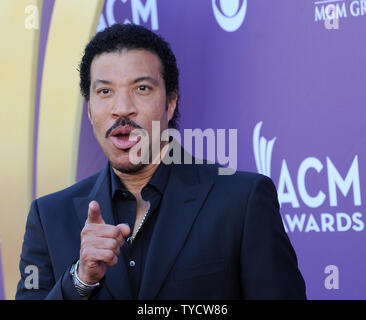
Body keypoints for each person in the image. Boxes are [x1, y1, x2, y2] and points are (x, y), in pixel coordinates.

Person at [16, 24, 306, 300]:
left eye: (141, 88)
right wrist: (80, 280)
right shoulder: (49, 216)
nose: (122, 109)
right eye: (105, 91)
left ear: (170, 103)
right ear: (90, 110)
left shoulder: (241, 200)